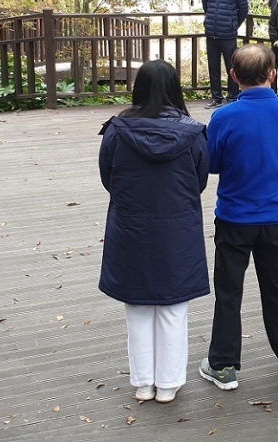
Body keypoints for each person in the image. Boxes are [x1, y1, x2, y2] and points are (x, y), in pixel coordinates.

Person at [98, 60, 210, 405]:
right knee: (174, 308)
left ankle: (144, 383)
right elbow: (200, 180)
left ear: (139, 88)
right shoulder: (193, 133)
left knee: (138, 306)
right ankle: (169, 383)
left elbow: (109, 178)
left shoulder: (118, 131)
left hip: (132, 226)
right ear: (175, 88)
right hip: (178, 227)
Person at [199, 43, 278, 391]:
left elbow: (212, 163)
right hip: (275, 214)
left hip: (233, 215)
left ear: (233, 76)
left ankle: (224, 364)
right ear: (273, 73)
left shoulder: (223, 117)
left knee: (229, 291)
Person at [202, 0, 249, 109]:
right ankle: (216, 96)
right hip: (211, 33)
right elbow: (205, 6)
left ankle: (232, 96)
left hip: (228, 34)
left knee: (231, 66)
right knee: (213, 66)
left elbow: (243, 10)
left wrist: (232, 25)